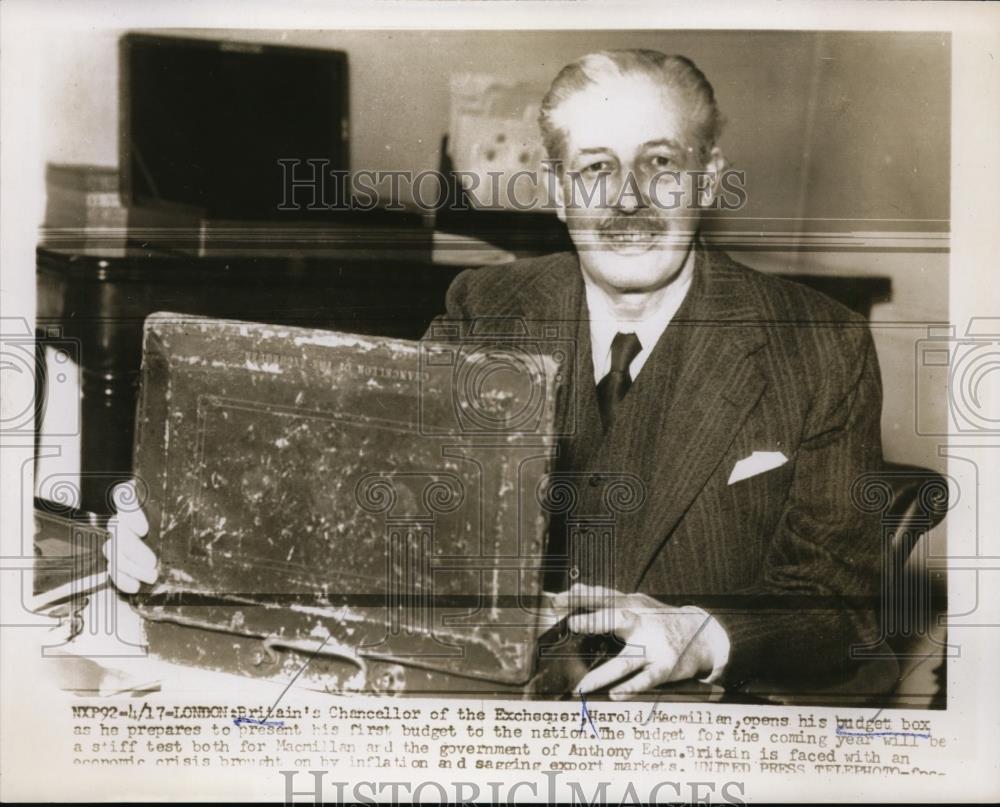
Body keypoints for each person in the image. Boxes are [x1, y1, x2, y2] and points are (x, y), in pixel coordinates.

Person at [107, 49, 884, 698]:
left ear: (710, 178)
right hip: (484, 704)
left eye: (661, 165)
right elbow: (364, 498)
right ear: (552, 190)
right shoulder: (485, 306)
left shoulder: (820, 347)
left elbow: (842, 612)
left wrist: (704, 632)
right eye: (595, 169)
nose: (627, 201)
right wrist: (178, 526)